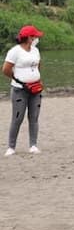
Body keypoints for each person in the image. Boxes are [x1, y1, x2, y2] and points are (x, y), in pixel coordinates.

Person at [3, 25, 44, 156]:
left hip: (35, 89)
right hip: (19, 90)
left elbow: (38, 65)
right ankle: (11, 147)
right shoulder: (14, 51)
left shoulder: (35, 51)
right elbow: (6, 69)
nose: (37, 38)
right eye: (35, 36)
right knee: (17, 117)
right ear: (28, 38)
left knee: (34, 117)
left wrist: (36, 78)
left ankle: (33, 145)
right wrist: (18, 79)